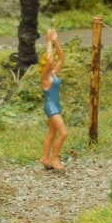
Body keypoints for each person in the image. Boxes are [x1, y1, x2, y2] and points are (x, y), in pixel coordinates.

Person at [40, 28, 68, 171]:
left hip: (56, 105)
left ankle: (45, 158)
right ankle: (55, 158)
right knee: (63, 133)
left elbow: (62, 58)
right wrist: (49, 42)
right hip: (51, 107)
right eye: (51, 61)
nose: (53, 61)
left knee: (52, 134)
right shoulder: (45, 77)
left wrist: (56, 41)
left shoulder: (53, 74)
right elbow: (50, 59)